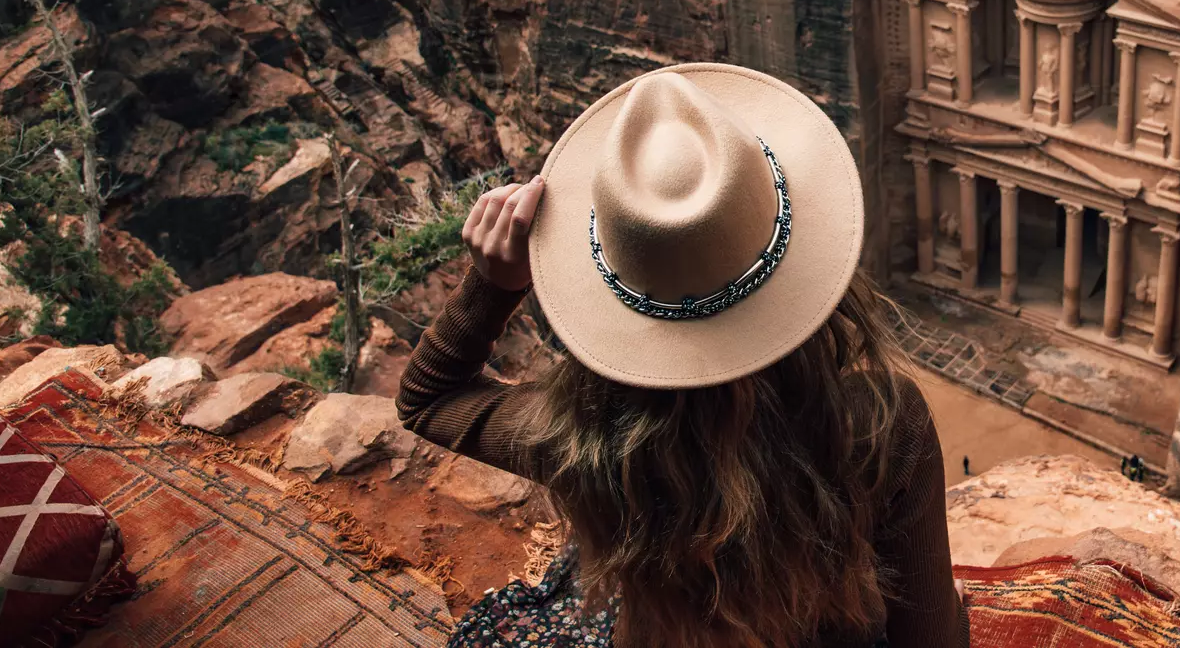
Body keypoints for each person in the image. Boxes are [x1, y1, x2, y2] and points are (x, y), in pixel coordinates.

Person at [397, 64, 967, 648]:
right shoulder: (879, 422)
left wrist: (494, 285)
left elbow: (428, 399)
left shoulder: (583, 439)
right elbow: (932, 639)